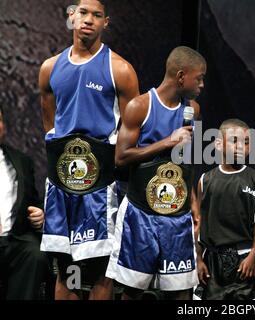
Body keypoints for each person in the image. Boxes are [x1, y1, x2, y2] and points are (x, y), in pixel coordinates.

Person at [38, 0, 139, 300]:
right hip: (63, 185)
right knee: (66, 269)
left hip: (101, 186)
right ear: (71, 16)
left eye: (97, 15)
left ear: (105, 22)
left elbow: (132, 130)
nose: (88, 20)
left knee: (99, 272)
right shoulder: (50, 68)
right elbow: (50, 126)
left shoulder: (120, 69)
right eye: (83, 12)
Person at [105, 46, 206, 300]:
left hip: (177, 215)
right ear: (181, 76)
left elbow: (185, 162)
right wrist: (167, 142)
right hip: (141, 215)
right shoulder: (140, 106)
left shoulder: (192, 109)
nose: (202, 84)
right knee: (132, 291)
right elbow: (121, 157)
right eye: (199, 78)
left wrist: (193, 200)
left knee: (181, 293)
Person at [194, 119, 255, 300]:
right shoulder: (205, 180)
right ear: (218, 144)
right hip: (212, 262)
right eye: (234, 141)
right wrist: (198, 259)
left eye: (246, 142)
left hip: (244, 260)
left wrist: (254, 255)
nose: (241, 147)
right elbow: (198, 223)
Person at [0, 105, 50, 300]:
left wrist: (39, 214)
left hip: (15, 238)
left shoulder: (21, 161)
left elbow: (32, 200)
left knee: (35, 254)